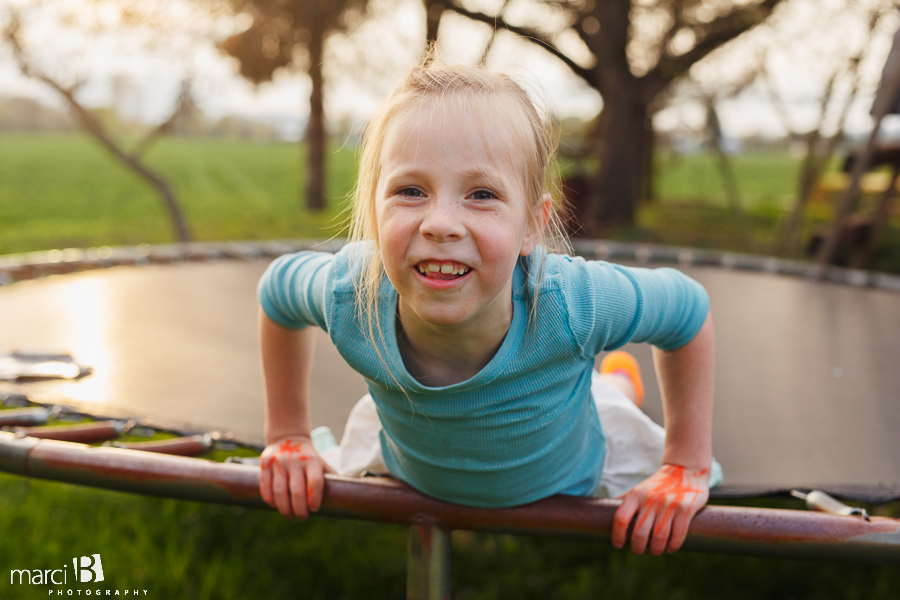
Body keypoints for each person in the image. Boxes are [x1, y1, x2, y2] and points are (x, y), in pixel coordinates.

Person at [256, 61, 720, 556]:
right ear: (373, 208)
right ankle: (615, 380)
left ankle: (619, 383)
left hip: (575, 464)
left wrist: (684, 464)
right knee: (604, 391)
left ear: (531, 227)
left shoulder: (572, 303)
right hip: (409, 455)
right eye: (410, 191)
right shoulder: (352, 293)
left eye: (482, 194)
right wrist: (286, 433)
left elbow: (687, 312)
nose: (441, 224)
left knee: (610, 406)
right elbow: (276, 295)